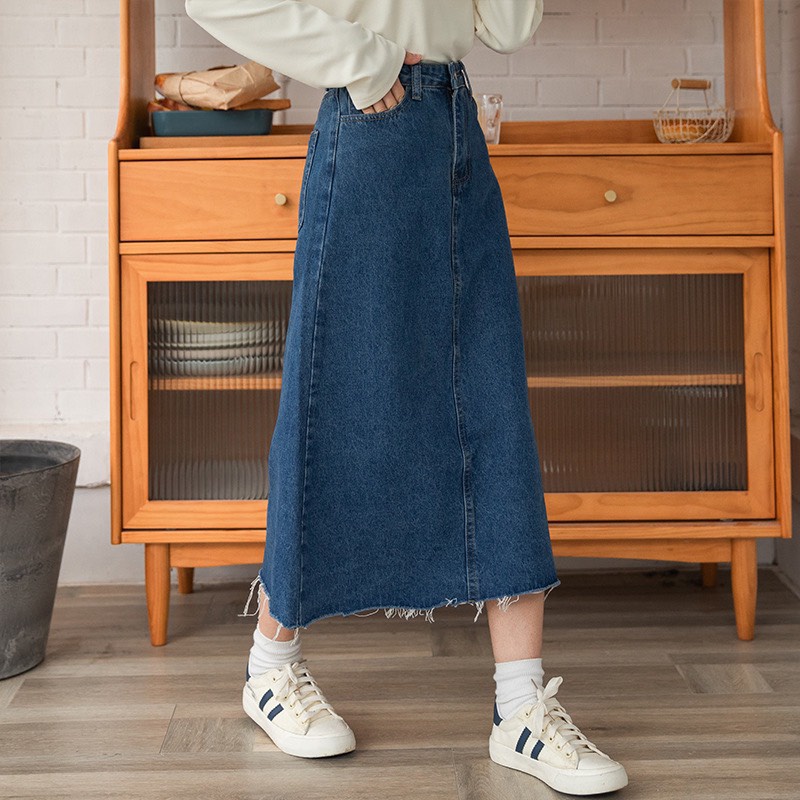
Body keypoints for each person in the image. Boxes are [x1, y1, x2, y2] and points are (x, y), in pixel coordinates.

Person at [184, 0, 628, 794]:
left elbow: (509, 27)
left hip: (455, 125)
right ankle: (270, 667)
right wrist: (364, 63)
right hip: (369, 126)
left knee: (493, 407)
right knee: (334, 403)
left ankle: (521, 709)